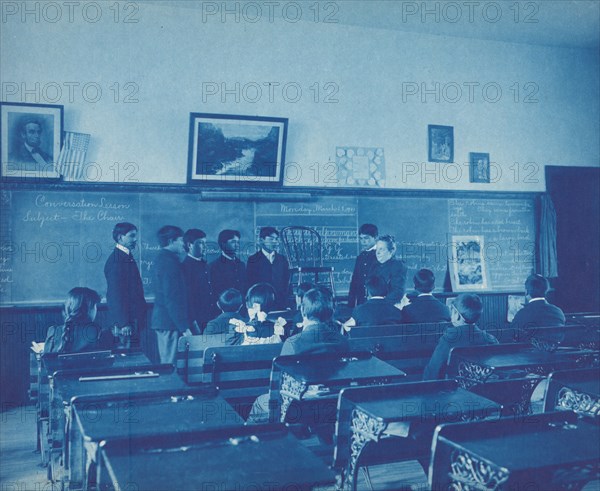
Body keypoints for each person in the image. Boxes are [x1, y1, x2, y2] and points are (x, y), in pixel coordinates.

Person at [247, 287, 349, 423]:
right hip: (333, 402)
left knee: (260, 402)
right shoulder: (342, 341)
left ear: (302, 311)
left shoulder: (293, 343)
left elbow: (281, 382)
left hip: (298, 406)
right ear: (331, 313)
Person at [423, 294, 498, 380]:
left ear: (457, 315)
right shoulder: (490, 339)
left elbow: (433, 372)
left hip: (454, 391)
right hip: (483, 390)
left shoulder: (448, 340)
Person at [151, 225, 193, 364]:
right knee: (170, 365)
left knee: (171, 364)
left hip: (168, 322)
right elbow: (172, 298)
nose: (184, 244)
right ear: (171, 241)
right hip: (169, 323)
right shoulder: (168, 262)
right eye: (181, 240)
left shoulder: (167, 259)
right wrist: (184, 327)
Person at [104, 222, 147, 349]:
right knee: (127, 358)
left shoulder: (124, 256)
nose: (135, 240)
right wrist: (124, 323)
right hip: (125, 324)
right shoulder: (117, 260)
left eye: (136, 236)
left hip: (130, 320)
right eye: (131, 236)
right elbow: (115, 295)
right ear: (120, 237)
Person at [44, 287, 112, 353]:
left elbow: (46, 360)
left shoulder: (54, 332)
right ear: (89, 309)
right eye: (95, 306)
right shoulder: (99, 333)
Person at [246, 227, 290, 309]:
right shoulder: (253, 260)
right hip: (261, 302)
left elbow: (286, 282)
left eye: (276, 239)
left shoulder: (282, 259)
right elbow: (250, 283)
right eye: (271, 239)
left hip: (280, 303)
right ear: (262, 240)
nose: (275, 242)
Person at [182, 228, 212, 333]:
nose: (205, 247)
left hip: (209, 318)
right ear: (190, 245)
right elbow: (187, 299)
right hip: (195, 321)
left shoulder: (205, 265)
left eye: (205, 243)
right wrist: (193, 323)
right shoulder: (185, 267)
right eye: (201, 243)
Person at [209, 229, 247, 304]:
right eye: (233, 242)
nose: (237, 245)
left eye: (238, 242)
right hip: (224, 309)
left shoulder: (241, 265)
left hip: (241, 309)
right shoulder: (214, 266)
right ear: (223, 244)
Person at [367, 235, 407, 306]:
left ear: (390, 251)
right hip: (375, 305)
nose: (377, 253)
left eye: (381, 249)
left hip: (391, 306)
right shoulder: (374, 265)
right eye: (377, 249)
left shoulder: (398, 265)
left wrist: (380, 304)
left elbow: (398, 291)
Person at [347, 224, 379, 308]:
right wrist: (350, 304)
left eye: (366, 238)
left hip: (376, 303)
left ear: (375, 238)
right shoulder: (360, 257)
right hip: (361, 303)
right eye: (361, 239)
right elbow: (354, 281)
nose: (363, 242)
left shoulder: (380, 255)